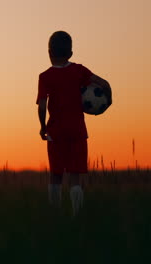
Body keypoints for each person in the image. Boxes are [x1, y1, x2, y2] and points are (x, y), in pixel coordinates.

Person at [36, 31, 112, 215]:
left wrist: (43, 126)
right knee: (75, 176)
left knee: (55, 175)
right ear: (70, 53)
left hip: (56, 132)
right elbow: (103, 83)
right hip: (77, 131)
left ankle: (54, 213)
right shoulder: (79, 70)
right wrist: (108, 99)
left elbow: (42, 105)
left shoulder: (45, 77)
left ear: (49, 52)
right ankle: (77, 214)